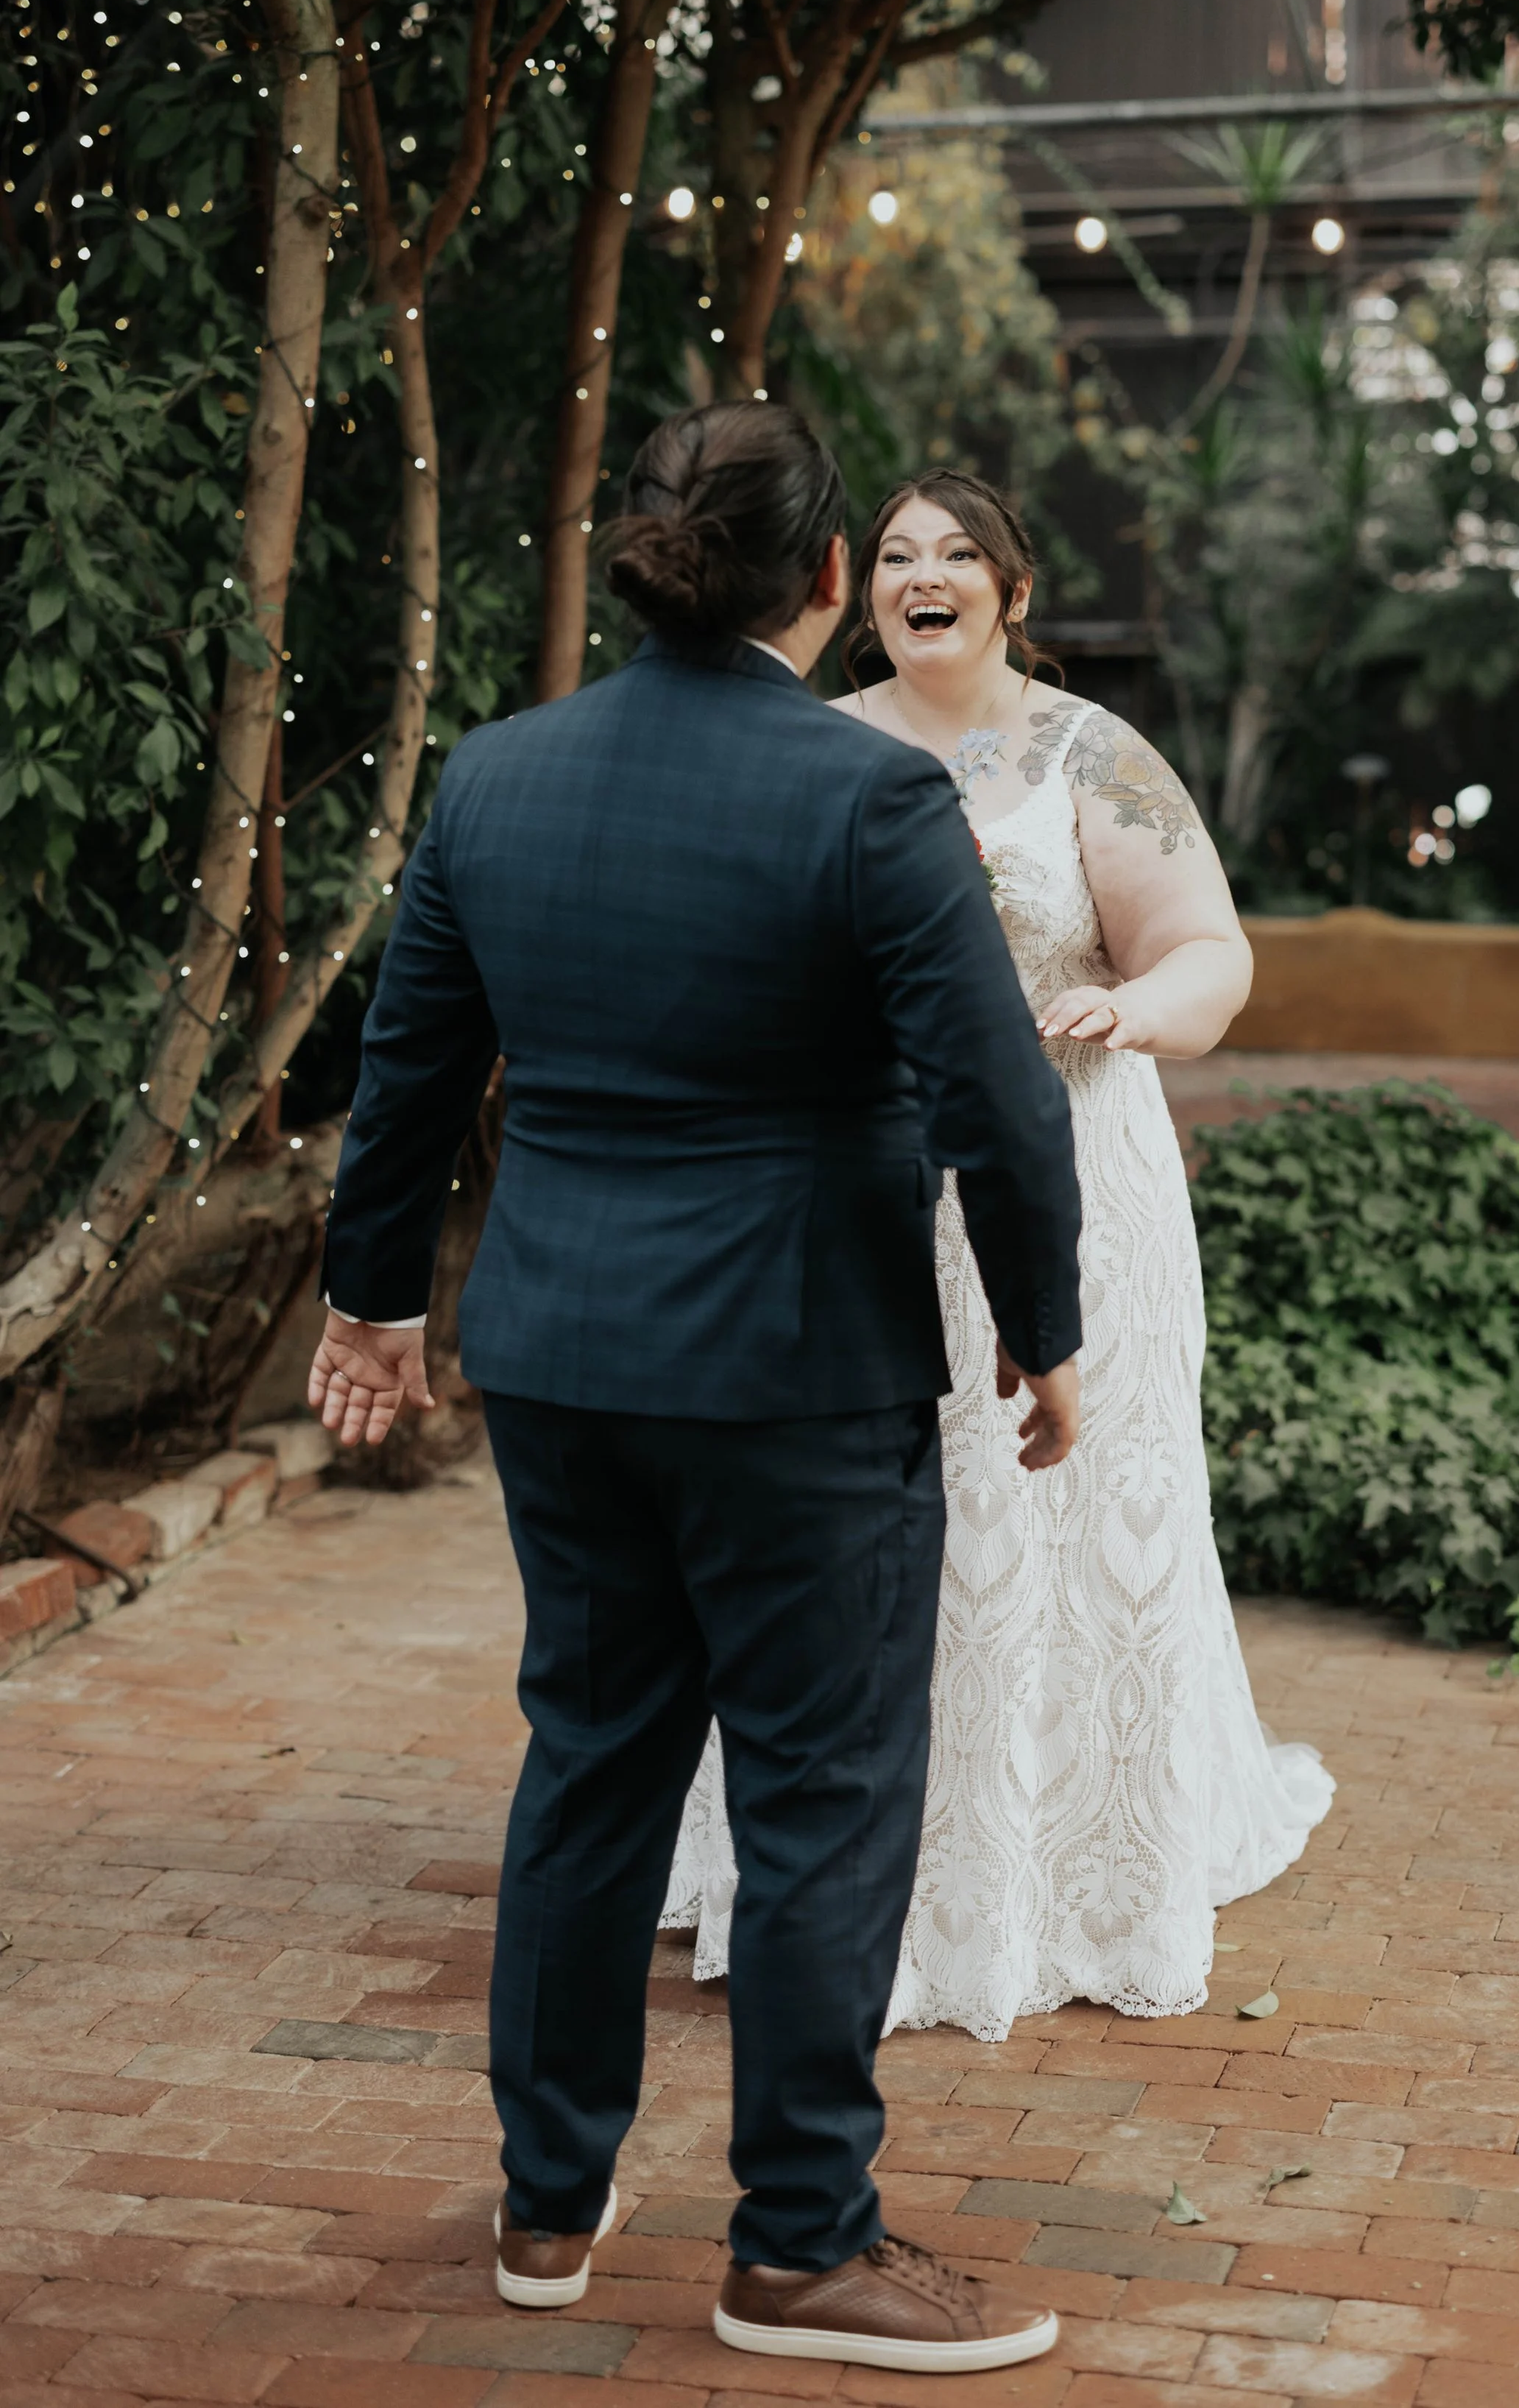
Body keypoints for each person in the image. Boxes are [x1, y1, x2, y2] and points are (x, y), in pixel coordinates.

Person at [308, 408, 1085, 2368]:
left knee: (592, 1756)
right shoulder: (866, 801)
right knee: (825, 1792)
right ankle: (800, 2241)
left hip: (564, 1357)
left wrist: (379, 1304)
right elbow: (997, 1097)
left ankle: (547, 2204)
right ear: (825, 583)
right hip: (797, 1371)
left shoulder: (496, 776)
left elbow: (404, 1075)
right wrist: (1041, 1322)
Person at [667, 470, 1332, 2039]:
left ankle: (1076, 1870)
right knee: (884, 1517)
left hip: (1070, 1176)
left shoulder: (1088, 756)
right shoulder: (811, 751)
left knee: (1065, 1504)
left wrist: (1126, 1011)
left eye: (956, 551)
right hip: (861, 1195)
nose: (923, 574)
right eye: (895, 553)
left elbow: (1208, 954)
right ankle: (862, 1867)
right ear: (852, 592)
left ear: (1012, 588)